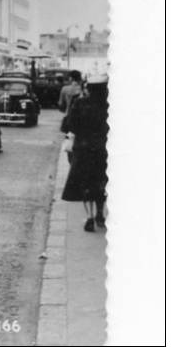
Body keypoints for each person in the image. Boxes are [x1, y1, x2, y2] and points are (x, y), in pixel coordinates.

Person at [60, 75, 109, 232]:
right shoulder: (110, 105)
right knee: (101, 182)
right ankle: (100, 213)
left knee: (86, 183)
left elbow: (69, 125)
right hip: (104, 149)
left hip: (83, 148)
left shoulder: (80, 103)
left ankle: (89, 217)